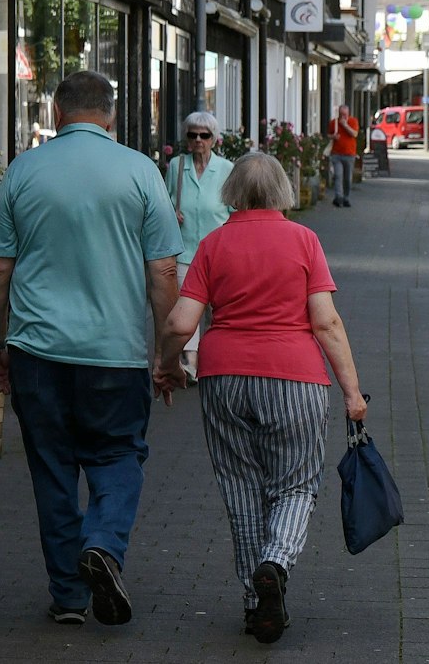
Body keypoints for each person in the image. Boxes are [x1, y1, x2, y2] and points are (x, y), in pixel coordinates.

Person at [0, 71, 183, 627]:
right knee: (118, 457)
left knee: (52, 470)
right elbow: (164, 269)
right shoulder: (141, 171)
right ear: (111, 116)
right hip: (114, 354)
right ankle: (103, 544)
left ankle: (69, 596)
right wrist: (168, 356)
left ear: (57, 111)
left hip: (37, 354)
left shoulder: (24, 170)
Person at [157, 153, 367, 645]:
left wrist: (166, 366)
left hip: (224, 377)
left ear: (231, 191)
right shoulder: (303, 241)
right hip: (295, 377)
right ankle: (275, 562)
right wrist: (352, 392)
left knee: (241, 488)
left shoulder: (213, 244)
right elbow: (326, 322)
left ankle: (256, 605)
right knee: (295, 485)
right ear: (282, 191)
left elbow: (180, 323)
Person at [167, 111, 233, 384]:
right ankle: (190, 360)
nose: (197, 140)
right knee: (187, 307)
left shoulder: (227, 169)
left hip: (218, 252)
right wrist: (173, 211)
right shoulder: (176, 166)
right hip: (184, 251)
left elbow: (234, 210)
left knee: (218, 309)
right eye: (192, 135)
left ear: (214, 139)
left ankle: (217, 357)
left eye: (204, 135)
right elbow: (165, 201)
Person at [327, 106, 360, 208]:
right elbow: (328, 134)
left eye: (345, 114)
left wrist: (345, 125)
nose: (343, 116)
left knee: (347, 178)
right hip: (336, 154)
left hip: (349, 154)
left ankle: (346, 197)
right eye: (341, 114)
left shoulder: (353, 121)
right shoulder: (334, 122)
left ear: (348, 114)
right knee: (338, 175)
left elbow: (354, 134)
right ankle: (338, 198)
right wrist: (333, 137)